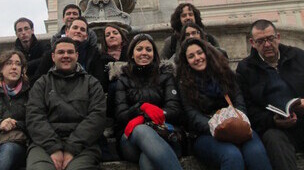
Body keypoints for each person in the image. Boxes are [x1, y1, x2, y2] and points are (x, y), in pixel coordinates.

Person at [177, 38, 271, 170]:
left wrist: (235, 123)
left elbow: (239, 101)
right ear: (186, 62)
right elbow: (193, 115)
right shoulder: (184, 85)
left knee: (256, 153)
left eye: (199, 53)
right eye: (191, 56)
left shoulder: (226, 75)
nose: (197, 58)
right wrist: (218, 127)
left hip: (237, 126)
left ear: (207, 53)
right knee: (231, 155)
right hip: (206, 134)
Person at [26, 37, 106, 170]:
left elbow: (97, 117)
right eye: (61, 52)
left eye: (70, 52)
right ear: (53, 56)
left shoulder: (92, 83)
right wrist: (53, 147)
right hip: (44, 144)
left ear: (77, 55)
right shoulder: (42, 83)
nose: (66, 56)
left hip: (83, 145)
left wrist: (72, 148)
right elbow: (34, 116)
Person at [236, 19, 304, 170]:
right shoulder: (245, 69)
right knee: (274, 140)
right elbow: (248, 109)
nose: (267, 45)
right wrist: (273, 120)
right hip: (275, 127)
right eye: (260, 41)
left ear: (278, 37)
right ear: (252, 43)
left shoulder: (298, 56)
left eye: (270, 39)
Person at [115, 33, 183, 170]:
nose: (144, 53)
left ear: (154, 54)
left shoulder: (166, 77)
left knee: (147, 161)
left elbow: (175, 110)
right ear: (132, 54)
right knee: (140, 130)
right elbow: (120, 115)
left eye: (148, 49)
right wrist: (142, 108)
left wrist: (146, 116)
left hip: (166, 135)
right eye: (139, 49)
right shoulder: (123, 80)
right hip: (131, 141)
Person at [36, 17, 103, 84]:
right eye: (75, 28)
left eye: (82, 30)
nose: (78, 31)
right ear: (67, 32)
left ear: (86, 36)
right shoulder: (51, 54)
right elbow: (38, 79)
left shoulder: (93, 54)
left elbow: (99, 81)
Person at [14, 17, 50, 84]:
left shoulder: (44, 47)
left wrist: (26, 66)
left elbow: (46, 62)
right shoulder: (14, 53)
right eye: (20, 30)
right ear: (16, 34)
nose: (23, 32)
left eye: (26, 29)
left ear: (32, 30)